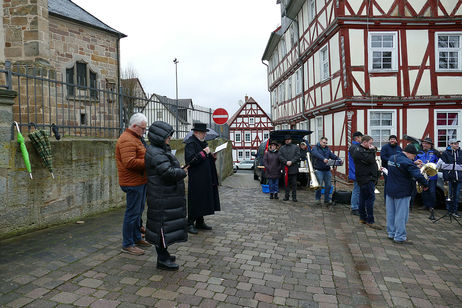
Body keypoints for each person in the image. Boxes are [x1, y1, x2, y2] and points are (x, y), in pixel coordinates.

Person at [145, 121, 188, 270]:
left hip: (164, 195)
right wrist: (183, 172)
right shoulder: (156, 152)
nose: (170, 138)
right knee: (161, 228)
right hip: (161, 197)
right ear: (159, 136)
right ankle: (162, 259)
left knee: (164, 226)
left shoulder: (160, 150)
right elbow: (167, 173)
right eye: (168, 136)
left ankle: (164, 255)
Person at [115, 113, 152, 256]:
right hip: (132, 182)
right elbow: (129, 162)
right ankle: (127, 244)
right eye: (143, 129)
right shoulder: (127, 139)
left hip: (140, 180)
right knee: (131, 214)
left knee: (138, 212)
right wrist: (149, 162)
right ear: (134, 126)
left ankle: (136, 238)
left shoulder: (136, 138)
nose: (144, 131)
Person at [386, 144, 428, 244]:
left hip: (390, 189)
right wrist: (425, 184)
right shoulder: (407, 162)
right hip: (402, 191)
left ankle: (391, 233)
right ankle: (400, 236)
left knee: (391, 214)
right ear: (409, 153)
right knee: (401, 215)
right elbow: (417, 175)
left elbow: (400, 167)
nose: (414, 157)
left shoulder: (392, 158)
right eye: (414, 156)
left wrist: (413, 163)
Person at [184, 123, 221, 234]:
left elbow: (205, 158)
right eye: (202, 133)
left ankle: (200, 221)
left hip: (205, 176)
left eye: (205, 132)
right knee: (195, 199)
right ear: (196, 133)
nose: (204, 134)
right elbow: (191, 160)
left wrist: (212, 157)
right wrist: (204, 153)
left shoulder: (203, 143)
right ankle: (189, 223)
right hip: (196, 177)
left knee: (203, 199)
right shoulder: (190, 144)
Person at [352, 135, 381, 229]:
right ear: (364, 142)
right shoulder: (359, 151)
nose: (371, 145)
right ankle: (370, 220)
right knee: (369, 199)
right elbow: (370, 160)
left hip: (366, 178)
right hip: (366, 178)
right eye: (370, 143)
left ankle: (363, 218)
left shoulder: (363, 150)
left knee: (363, 198)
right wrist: (372, 151)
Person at [414, 137, 440, 217]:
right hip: (422, 175)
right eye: (423, 143)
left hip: (432, 176)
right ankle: (425, 205)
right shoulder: (418, 152)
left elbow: (439, 163)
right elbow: (414, 161)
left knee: (432, 191)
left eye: (426, 143)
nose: (424, 145)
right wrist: (417, 164)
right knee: (424, 191)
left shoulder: (435, 152)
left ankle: (431, 206)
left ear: (430, 145)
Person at [311, 137, 340, 204]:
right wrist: (323, 159)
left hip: (327, 169)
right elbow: (316, 154)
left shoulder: (327, 149)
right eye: (324, 142)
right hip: (319, 169)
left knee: (328, 185)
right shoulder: (315, 148)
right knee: (319, 185)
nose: (325, 144)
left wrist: (338, 159)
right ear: (320, 141)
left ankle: (327, 199)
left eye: (326, 143)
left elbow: (331, 155)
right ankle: (317, 199)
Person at [440, 139, 462, 218]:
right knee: (448, 195)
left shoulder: (460, 152)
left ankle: (455, 211)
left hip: (458, 178)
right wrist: (446, 177)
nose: (457, 145)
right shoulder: (445, 153)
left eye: (457, 144)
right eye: (455, 144)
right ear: (451, 144)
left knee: (456, 195)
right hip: (449, 178)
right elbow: (442, 166)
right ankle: (449, 211)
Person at [380, 135, 402, 203]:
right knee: (388, 183)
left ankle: (394, 198)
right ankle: (386, 200)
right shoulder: (385, 147)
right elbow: (383, 157)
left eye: (394, 139)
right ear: (389, 140)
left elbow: (401, 157)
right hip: (387, 169)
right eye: (391, 139)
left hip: (396, 169)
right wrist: (392, 161)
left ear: (396, 140)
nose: (392, 140)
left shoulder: (399, 148)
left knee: (396, 183)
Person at [279, 135, 300, 202]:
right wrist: (286, 162)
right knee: (286, 184)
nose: (287, 141)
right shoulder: (282, 148)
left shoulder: (295, 147)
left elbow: (298, 156)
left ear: (291, 140)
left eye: (288, 139)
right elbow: (280, 156)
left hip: (293, 168)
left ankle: (294, 197)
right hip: (285, 168)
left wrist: (291, 161)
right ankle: (286, 196)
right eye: (286, 140)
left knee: (294, 184)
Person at [348, 131, 363, 216]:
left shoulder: (356, 146)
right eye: (361, 137)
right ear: (357, 138)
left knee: (358, 190)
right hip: (356, 172)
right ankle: (354, 207)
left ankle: (356, 206)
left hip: (357, 171)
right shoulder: (354, 147)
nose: (362, 139)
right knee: (356, 190)